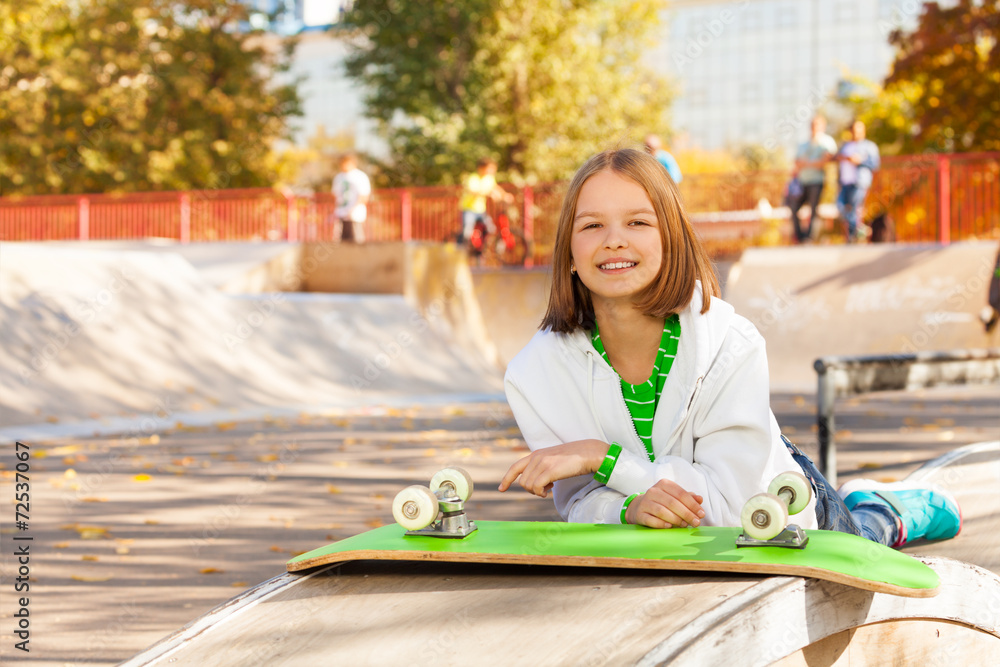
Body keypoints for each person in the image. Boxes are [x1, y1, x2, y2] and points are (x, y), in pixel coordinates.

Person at [497, 146, 961, 549]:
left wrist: (604, 458)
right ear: (570, 256)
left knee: (863, 537)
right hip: (693, 525)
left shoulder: (729, 342)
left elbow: (736, 514)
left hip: (778, 507)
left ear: (670, 239)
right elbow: (580, 501)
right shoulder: (534, 375)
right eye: (592, 225)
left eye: (638, 221)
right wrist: (627, 509)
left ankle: (884, 505)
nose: (614, 239)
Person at [789, 116, 837, 243]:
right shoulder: (803, 144)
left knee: (813, 209)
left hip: (817, 181)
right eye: (812, 125)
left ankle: (809, 237)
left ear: (823, 126)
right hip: (802, 181)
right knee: (793, 207)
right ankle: (800, 237)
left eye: (817, 125)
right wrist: (813, 163)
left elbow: (825, 161)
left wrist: (807, 163)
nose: (814, 127)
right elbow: (797, 162)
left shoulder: (827, 142)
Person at [835, 120, 880, 243]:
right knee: (840, 206)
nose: (856, 133)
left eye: (859, 130)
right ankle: (859, 229)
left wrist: (859, 161)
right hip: (844, 182)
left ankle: (852, 236)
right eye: (854, 130)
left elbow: (875, 164)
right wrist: (840, 157)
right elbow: (837, 157)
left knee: (854, 209)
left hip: (859, 182)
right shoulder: (845, 145)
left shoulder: (869, 146)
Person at [457, 157, 511, 245]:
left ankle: (479, 249)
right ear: (481, 168)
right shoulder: (473, 178)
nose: (492, 171)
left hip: (481, 210)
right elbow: (473, 191)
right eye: (490, 168)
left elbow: (496, 188)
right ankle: (460, 249)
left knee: (490, 229)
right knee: (467, 232)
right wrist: (488, 193)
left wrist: (505, 195)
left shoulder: (489, 179)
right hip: (469, 209)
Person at [332, 154, 371, 243]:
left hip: (354, 215)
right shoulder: (339, 177)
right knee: (341, 242)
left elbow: (364, 195)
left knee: (356, 241)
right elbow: (335, 195)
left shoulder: (360, 176)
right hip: (341, 214)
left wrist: (353, 209)